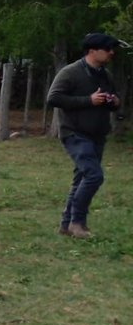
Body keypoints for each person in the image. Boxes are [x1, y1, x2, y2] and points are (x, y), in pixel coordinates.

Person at [47, 33, 122, 238]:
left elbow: (113, 101)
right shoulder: (70, 72)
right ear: (93, 51)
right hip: (74, 132)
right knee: (94, 175)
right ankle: (77, 223)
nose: (111, 53)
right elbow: (53, 98)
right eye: (107, 49)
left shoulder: (105, 75)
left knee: (81, 178)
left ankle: (65, 225)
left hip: (97, 134)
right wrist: (88, 100)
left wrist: (114, 102)